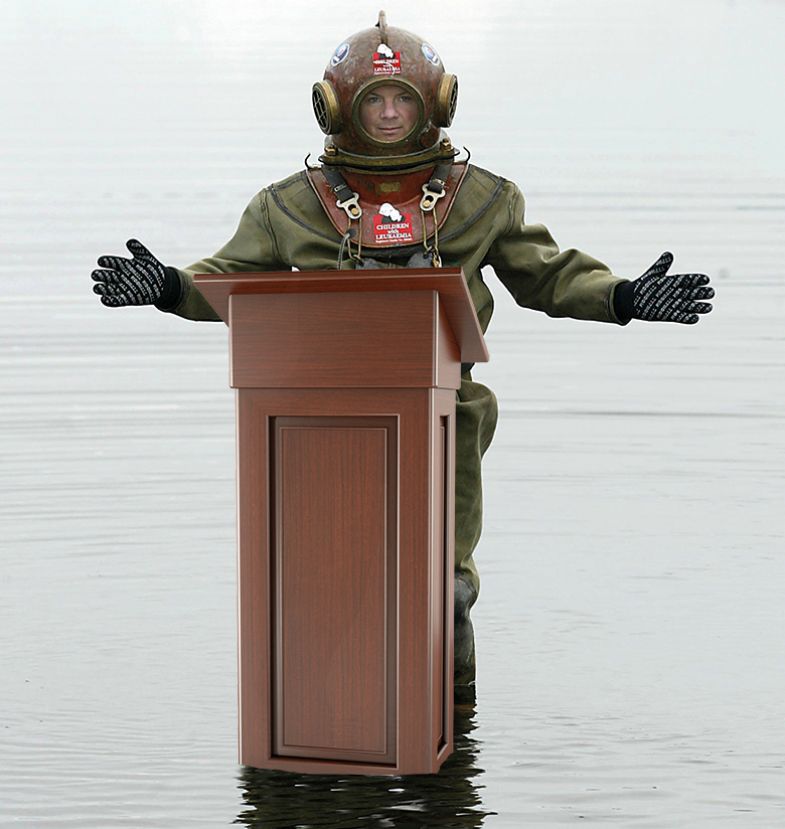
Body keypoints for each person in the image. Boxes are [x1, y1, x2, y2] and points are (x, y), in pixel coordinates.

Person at [91, 12, 714, 690]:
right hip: (326, 413)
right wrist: (167, 286)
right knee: (330, 584)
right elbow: (227, 280)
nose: (389, 115)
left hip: (447, 406)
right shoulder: (289, 207)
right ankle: (331, 712)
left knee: (442, 587)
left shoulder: (482, 200)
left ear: (436, 105)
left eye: (403, 100)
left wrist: (622, 296)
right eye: (374, 101)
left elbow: (548, 274)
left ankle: (451, 695)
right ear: (335, 109)